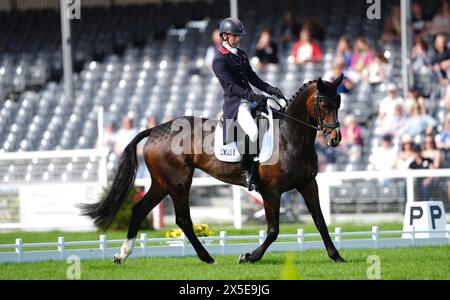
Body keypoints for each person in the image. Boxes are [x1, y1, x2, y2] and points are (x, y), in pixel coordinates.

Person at [212, 17, 286, 191]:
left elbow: (252, 77)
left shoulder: (242, 54)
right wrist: (253, 97)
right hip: (237, 104)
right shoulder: (219, 59)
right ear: (224, 36)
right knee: (253, 132)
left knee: (277, 115)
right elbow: (231, 86)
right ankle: (246, 173)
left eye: (239, 36)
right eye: (234, 36)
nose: (237, 39)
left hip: (250, 99)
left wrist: (270, 89)